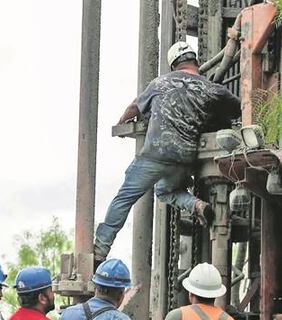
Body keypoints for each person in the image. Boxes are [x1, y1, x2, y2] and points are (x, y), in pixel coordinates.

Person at [94, 41, 241, 262]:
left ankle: (100, 248)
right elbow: (239, 107)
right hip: (184, 159)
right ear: (196, 62)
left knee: (124, 198)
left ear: (173, 65)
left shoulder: (160, 83)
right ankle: (196, 204)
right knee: (164, 190)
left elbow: (134, 107)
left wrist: (121, 122)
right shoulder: (212, 89)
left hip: (155, 156)